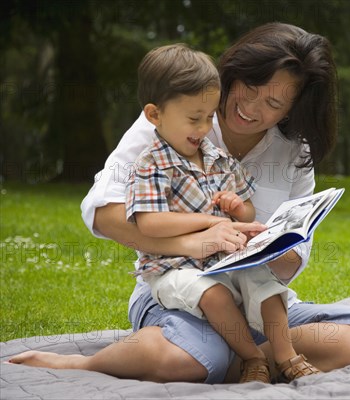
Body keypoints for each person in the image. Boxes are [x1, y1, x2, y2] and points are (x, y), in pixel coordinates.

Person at [9, 23, 350, 384]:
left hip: (255, 296)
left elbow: (292, 261)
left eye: (273, 102)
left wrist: (266, 244)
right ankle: (92, 362)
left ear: (291, 110)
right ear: (235, 72)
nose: (251, 106)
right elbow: (103, 213)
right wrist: (194, 242)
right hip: (183, 293)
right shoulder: (173, 121)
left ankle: (240, 358)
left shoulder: (293, 153)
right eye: (250, 85)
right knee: (175, 357)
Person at [125, 43, 320, 383]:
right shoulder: (150, 164)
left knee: (267, 282)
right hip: (174, 270)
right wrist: (212, 221)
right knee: (212, 293)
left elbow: (245, 210)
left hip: (222, 265)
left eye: (208, 118)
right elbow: (150, 223)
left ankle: (287, 355)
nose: (203, 129)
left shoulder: (217, 158)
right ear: (155, 115)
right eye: (193, 119)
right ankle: (254, 358)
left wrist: (238, 210)